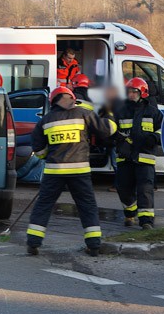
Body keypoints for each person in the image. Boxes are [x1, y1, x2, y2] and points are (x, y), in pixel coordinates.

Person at [26, 86, 117, 257]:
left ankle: (33, 242)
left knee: (44, 206)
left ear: (52, 101)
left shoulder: (45, 121)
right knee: (87, 206)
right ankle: (94, 245)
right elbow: (108, 130)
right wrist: (109, 113)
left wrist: (49, 154)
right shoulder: (83, 114)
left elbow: (38, 151)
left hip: (54, 171)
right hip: (79, 170)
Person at [114, 78, 163, 229]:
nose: (131, 94)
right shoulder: (120, 111)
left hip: (145, 158)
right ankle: (130, 213)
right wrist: (119, 141)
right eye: (129, 91)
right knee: (123, 188)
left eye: (134, 92)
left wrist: (154, 137)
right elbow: (112, 130)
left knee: (145, 189)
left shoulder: (153, 112)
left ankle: (146, 221)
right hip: (125, 157)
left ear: (142, 93)